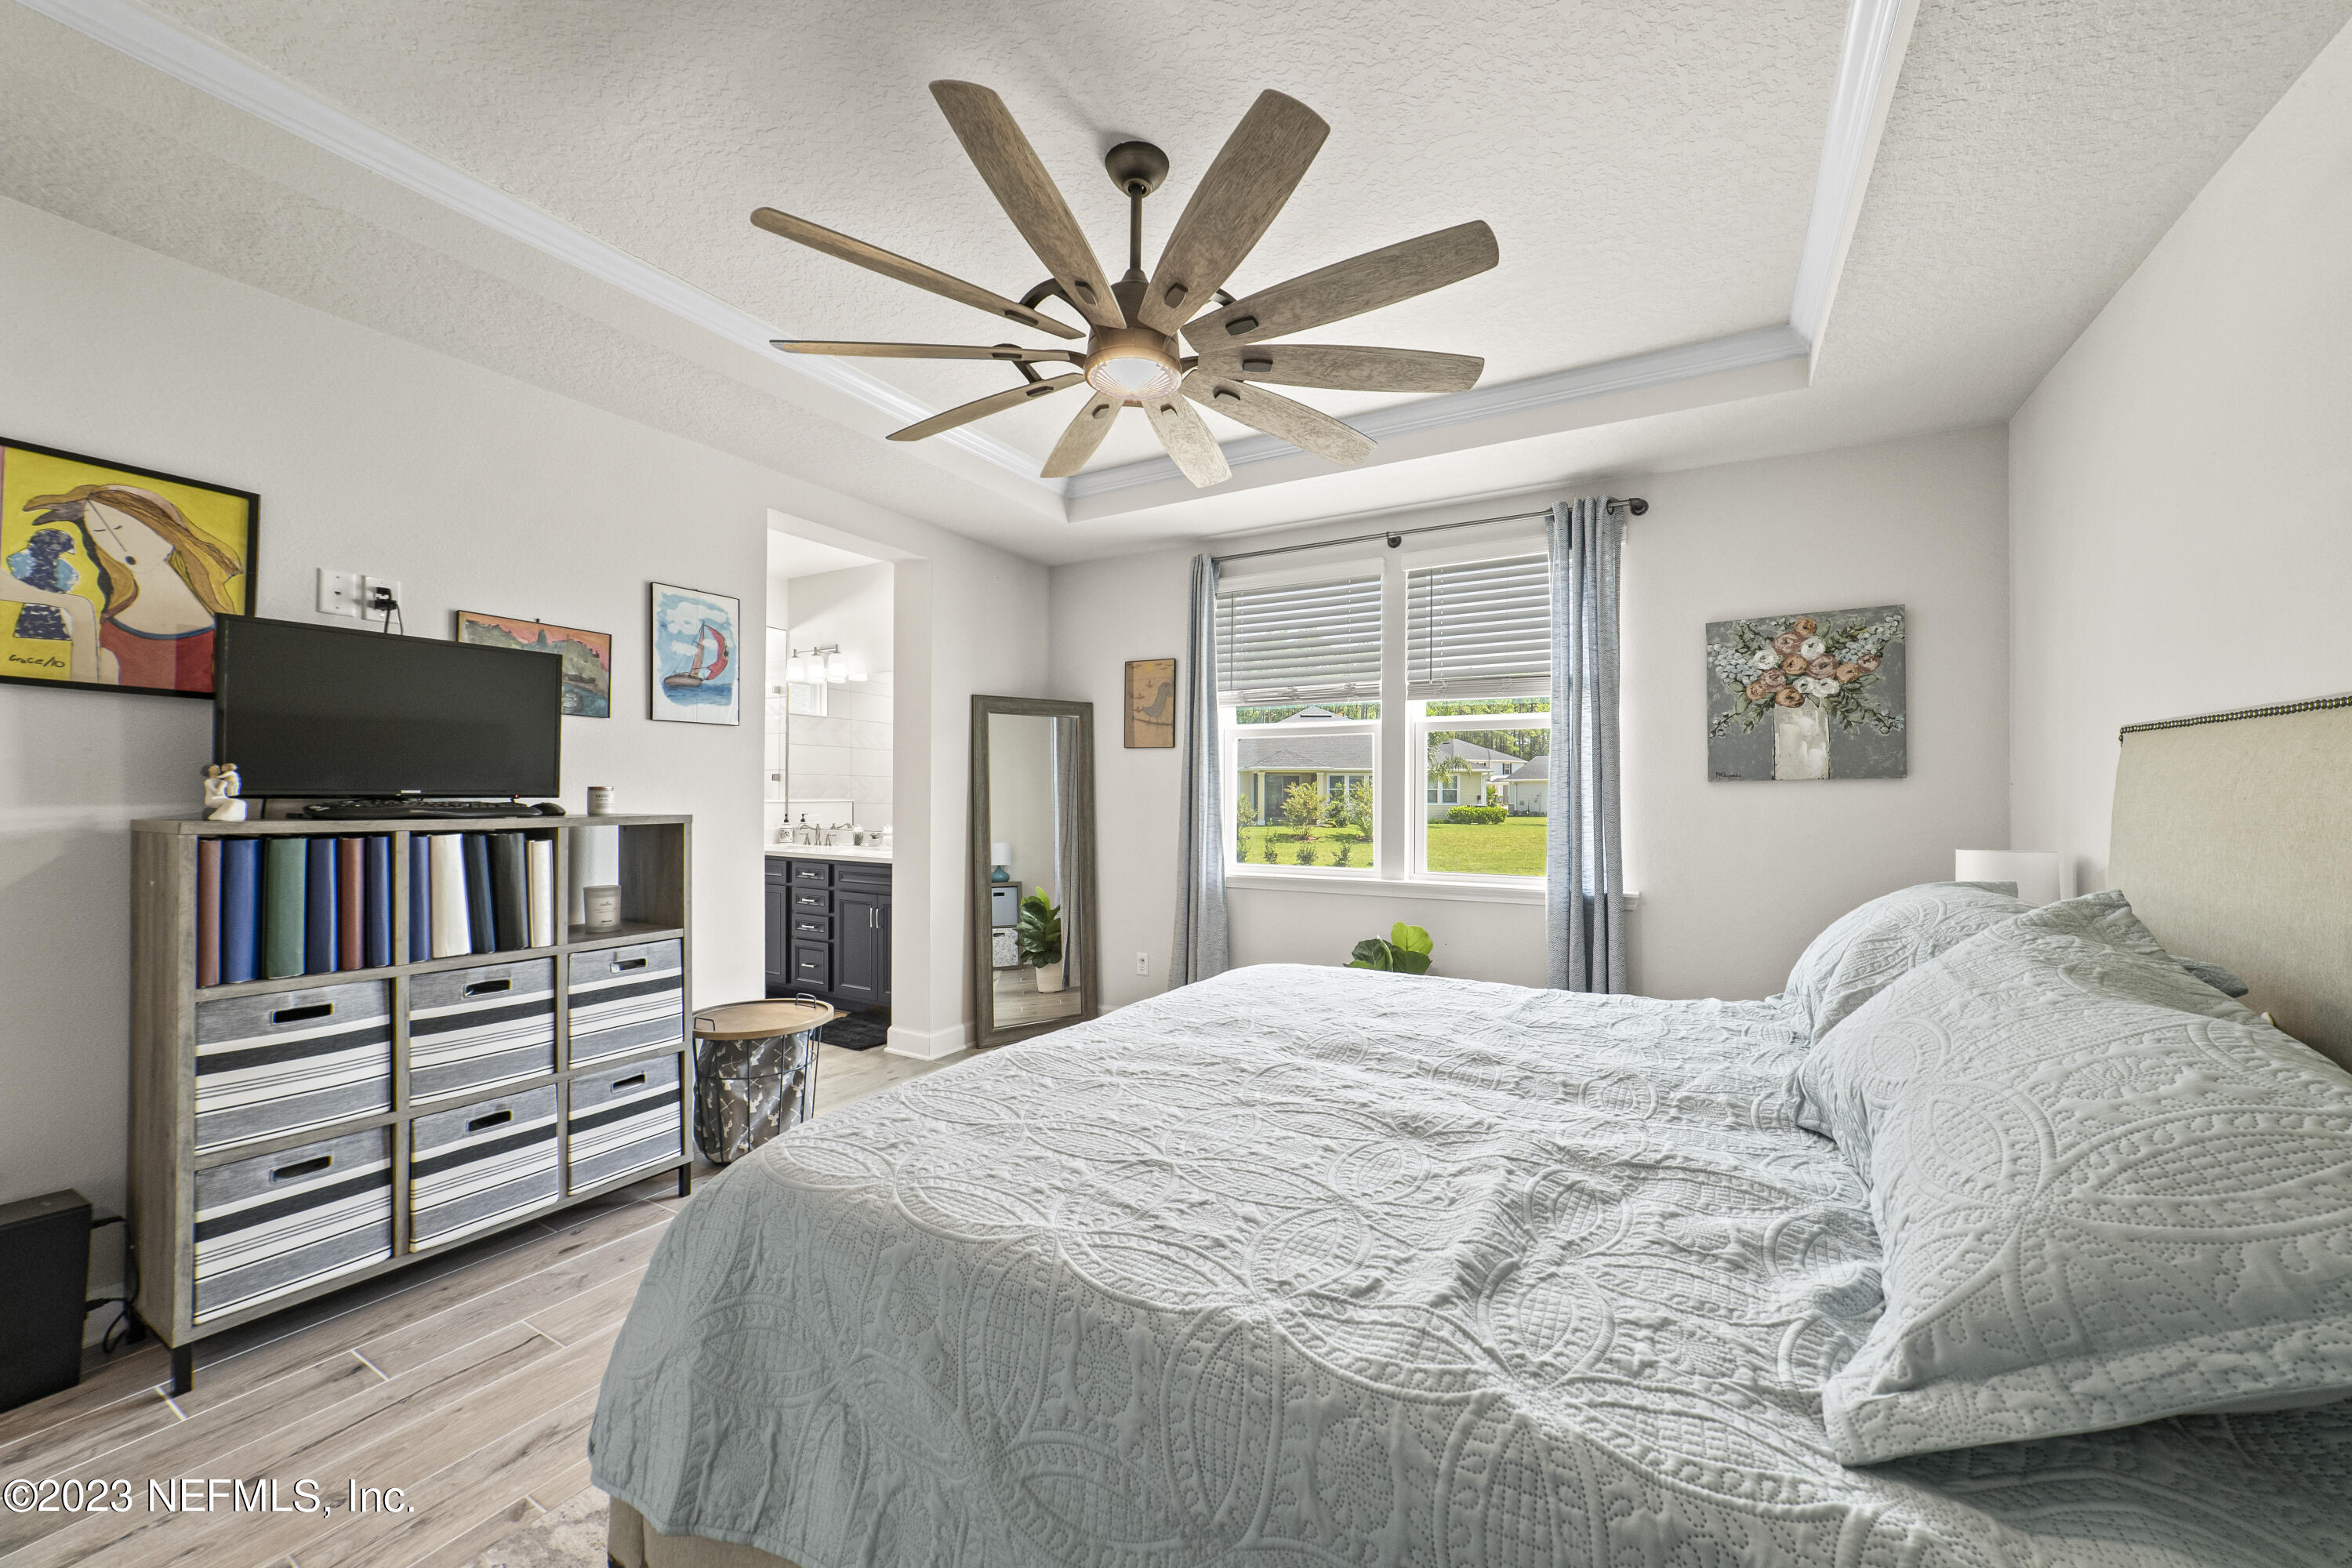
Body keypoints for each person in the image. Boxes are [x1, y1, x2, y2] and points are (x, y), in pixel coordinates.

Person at [17, 482, 243, 690]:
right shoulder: (114, 624)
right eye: (100, 533)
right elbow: (92, 694)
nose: (119, 545)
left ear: (164, 529)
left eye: (122, 528)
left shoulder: (225, 630)